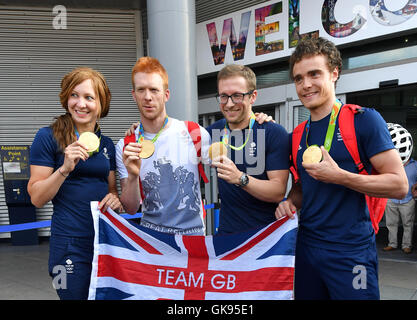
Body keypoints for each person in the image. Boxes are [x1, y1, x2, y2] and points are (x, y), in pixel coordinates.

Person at [275, 37, 408, 300]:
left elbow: (399, 184)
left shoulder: (364, 120)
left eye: (314, 74)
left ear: (334, 73)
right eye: (299, 78)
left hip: (352, 252)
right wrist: (290, 201)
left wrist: (341, 177)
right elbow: (305, 186)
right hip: (308, 249)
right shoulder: (298, 135)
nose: (306, 84)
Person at [28, 67, 122, 300]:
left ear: (101, 104)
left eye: (89, 97)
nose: (80, 104)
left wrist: (115, 199)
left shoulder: (107, 144)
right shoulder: (47, 137)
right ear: (66, 98)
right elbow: (37, 197)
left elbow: (112, 191)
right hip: (68, 244)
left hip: (105, 241)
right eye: (74, 95)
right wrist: (65, 168)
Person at [116, 57, 211, 235]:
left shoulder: (194, 133)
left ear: (166, 94)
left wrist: (256, 120)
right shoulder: (126, 145)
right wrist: (132, 176)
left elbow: (229, 168)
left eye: (154, 90)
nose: (148, 97)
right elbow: (130, 208)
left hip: (193, 238)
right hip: (153, 242)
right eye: (141, 90)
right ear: (133, 95)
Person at [207, 64, 290, 234]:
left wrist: (240, 178)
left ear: (253, 97)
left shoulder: (272, 132)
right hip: (226, 237)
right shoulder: (212, 132)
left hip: (264, 240)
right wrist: (140, 131)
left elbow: (278, 192)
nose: (229, 104)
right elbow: (176, 136)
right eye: (223, 96)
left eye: (237, 96)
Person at [383, 123, 417, 254]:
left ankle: (407, 245)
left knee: (408, 224)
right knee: (391, 224)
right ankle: (392, 244)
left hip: (408, 199)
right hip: (391, 199)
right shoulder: (390, 164)